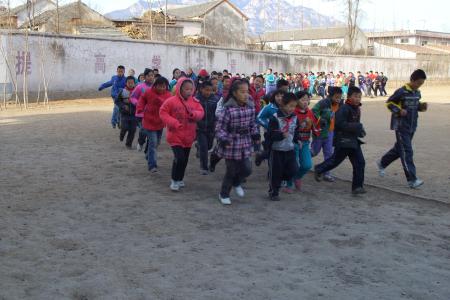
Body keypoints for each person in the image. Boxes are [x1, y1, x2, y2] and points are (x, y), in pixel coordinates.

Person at [377, 69, 428, 189]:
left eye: (421, 84)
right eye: (418, 83)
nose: (419, 86)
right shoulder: (401, 91)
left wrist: (422, 106)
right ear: (412, 80)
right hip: (400, 126)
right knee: (407, 151)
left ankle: (382, 162)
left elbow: (416, 107)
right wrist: (399, 111)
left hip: (412, 126)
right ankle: (412, 180)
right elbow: (389, 103)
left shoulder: (417, 93)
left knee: (399, 149)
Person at [314, 86, 367, 195]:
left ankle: (357, 187)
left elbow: (354, 125)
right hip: (343, 140)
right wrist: (356, 126)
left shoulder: (356, 108)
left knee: (360, 162)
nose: (358, 99)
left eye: (359, 97)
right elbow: (339, 124)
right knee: (335, 160)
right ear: (349, 96)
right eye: (355, 96)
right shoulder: (344, 108)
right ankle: (319, 168)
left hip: (353, 141)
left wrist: (360, 130)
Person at [215, 79, 260, 205]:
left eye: (247, 92)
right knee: (231, 170)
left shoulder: (250, 107)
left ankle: (237, 182)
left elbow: (252, 124)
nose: (246, 94)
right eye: (242, 92)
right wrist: (223, 139)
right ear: (234, 93)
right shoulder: (228, 109)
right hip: (231, 144)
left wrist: (255, 134)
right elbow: (219, 128)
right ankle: (224, 194)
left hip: (245, 143)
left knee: (247, 169)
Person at [160, 78, 204, 191]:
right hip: (175, 135)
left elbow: (201, 112)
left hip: (189, 136)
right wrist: (173, 122)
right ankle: (174, 180)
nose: (189, 91)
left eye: (191, 89)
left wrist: (194, 114)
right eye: (186, 89)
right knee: (179, 158)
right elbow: (163, 112)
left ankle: (180, 179)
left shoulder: (195, 102)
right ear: (180, 88)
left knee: (185, 159)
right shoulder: (171, 101)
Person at [266, 93, 300, 201]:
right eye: (290, 106)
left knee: (294, 169)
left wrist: (297, 140)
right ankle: (274, 192)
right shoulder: (275, 118)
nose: (292, 109)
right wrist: (281, 135)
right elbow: (270, 134)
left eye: (294, 106)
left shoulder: (295, 117)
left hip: (290, 149)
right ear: (282, 105)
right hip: (276, 150)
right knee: (275, 172)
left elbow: (296, 130)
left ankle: (283, 179)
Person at [137, 76, 172, 172]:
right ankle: (152, 165)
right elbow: (142, 100)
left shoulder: (169, 95)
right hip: (149, 122)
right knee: (153, 143)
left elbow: (171, 106)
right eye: (159, 86)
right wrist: (140, 108)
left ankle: (148, 155)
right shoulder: (148, 92)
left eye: (164, 86)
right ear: (155, 86)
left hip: (160, 123)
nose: (161, 88)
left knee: (156, 143)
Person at [285, 91, 318, 193]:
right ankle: (288, 183)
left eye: (307, 99)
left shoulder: (310, 112)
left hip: (305, 142)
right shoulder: (292, 112)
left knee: (307, 165)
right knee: (293, 165)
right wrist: (301, 126)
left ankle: (297, 177)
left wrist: (317, 133)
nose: (305, 102)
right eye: (302, 99)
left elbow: (315, 127)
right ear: (296, 100)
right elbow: (288, 128)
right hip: (293, 142)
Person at [311, 86, 343, 182]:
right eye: (336, 97)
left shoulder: (340, 104)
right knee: (314, 151)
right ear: (330, 96)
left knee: (329, 154)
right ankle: (300, 158)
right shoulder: (323, 103)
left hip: (330, 132)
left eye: (340, 97)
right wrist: (321, 120)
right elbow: (313, 111)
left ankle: (327, 173)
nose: (338, 99)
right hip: (320, 131)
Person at [195, 81, 218, 175]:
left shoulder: (215, 100)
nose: (208, 92)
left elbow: (217, 113)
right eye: (206, 90)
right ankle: (204, 167)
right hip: (199, 128)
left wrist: (216, 122)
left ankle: (198, 147)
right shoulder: (196, 99)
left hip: (211, 127)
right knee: (204, 147)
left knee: (209, 146)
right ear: (201, 89)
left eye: (210, 90)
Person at [130, 68, 155, 152]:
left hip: (152, 114)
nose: (151, 77)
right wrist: (138, 103)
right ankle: (140, 142)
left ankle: (148, 149)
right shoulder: (140, 87)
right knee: (144, 130)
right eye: (149, 76)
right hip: (141, 114)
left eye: (152, 75)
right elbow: (133, 97)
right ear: (144, 77)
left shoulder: (156, 87)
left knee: (151, 132)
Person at [115, 76, 137, 149]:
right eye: (129, 83)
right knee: (124, 127)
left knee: (133, 130)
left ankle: (128, 144)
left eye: (132, 83)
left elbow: (141, 100)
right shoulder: (122, 91)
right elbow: (117, 101)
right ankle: (122, 134)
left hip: (134, 114)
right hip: (124, 114)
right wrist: (123, 106)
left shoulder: (137, 91)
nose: (130, 84)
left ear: (134, 83)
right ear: (126, 83)